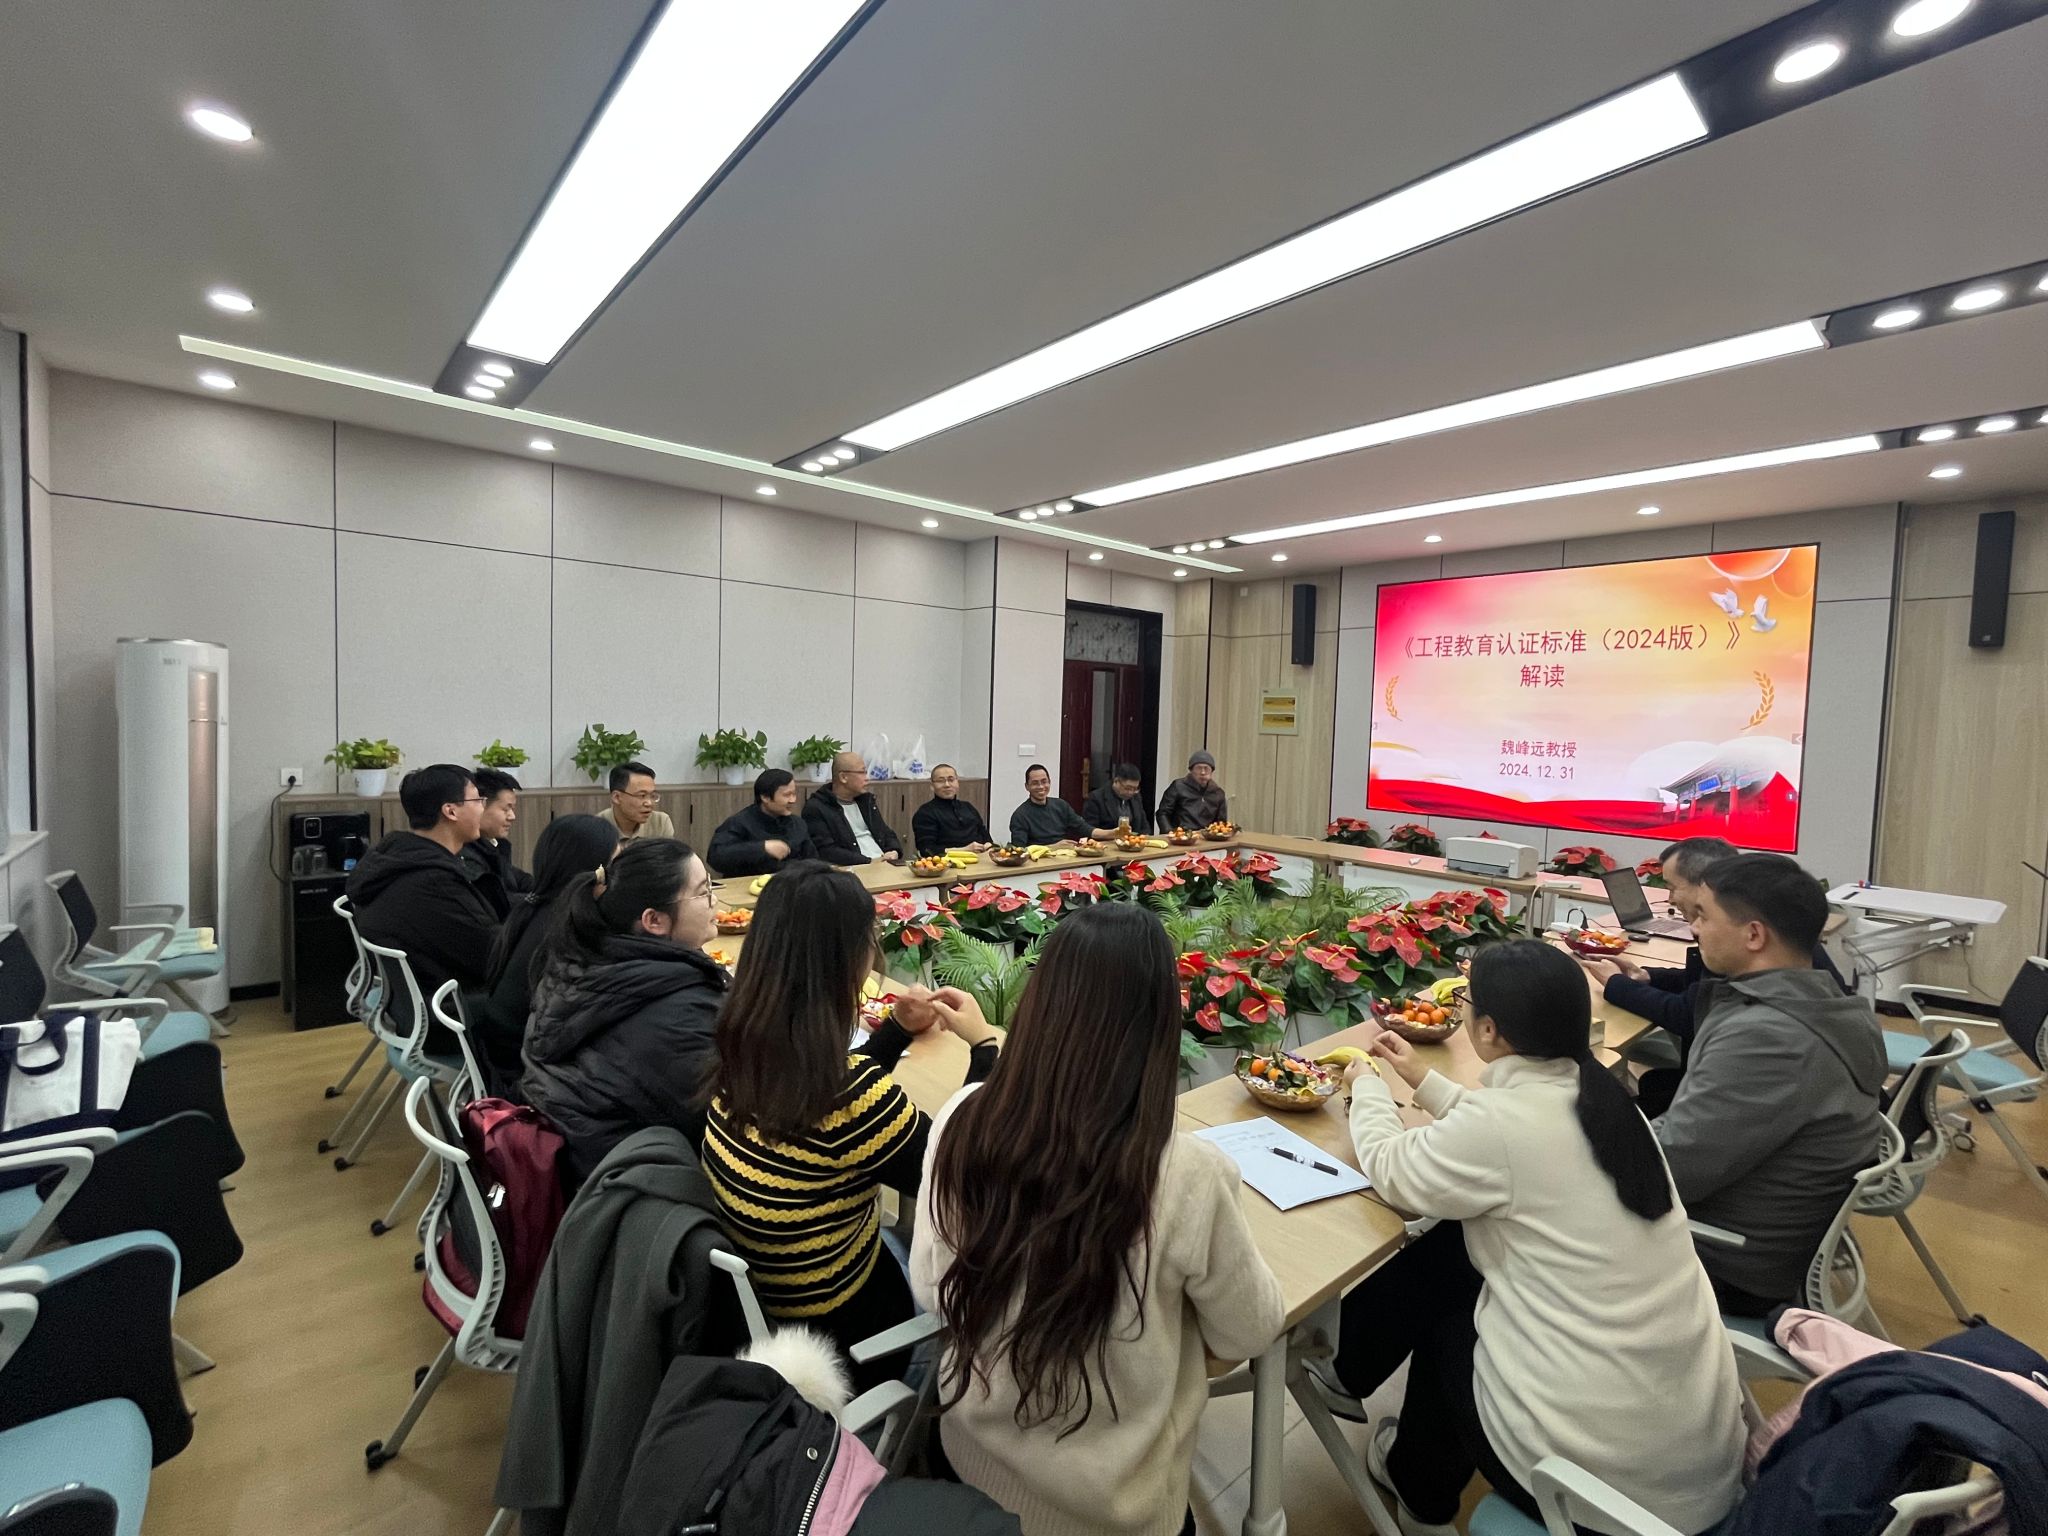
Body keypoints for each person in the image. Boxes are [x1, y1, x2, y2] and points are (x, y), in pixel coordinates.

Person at [1323, 940, 1746, 1536]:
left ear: (1487, 1029)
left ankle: (1417, 1490)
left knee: (1453, 1317)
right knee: (1456, 1249)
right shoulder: (1606, 1103)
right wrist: (1424, 1080)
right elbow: (1510, 1141)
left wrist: (1366, 1086)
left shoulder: (1503, 1126)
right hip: (1687, 1456)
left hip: (1607, 1490)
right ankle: (1343, 1369)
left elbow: (1394, 1171)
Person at [912, 904, 1284, 1536]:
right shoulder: (1187, 1174)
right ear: (1157, 1026)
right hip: (1115, 1513)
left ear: (1039, 1004)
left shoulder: (963, 1118)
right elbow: (1250, 1331)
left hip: (967, 1469)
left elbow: (931, 1290)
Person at [701, 860, 998, 1388]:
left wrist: (895, 1031)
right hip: (849, 1336)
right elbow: (956, 1168)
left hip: (775, 1306)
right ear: (849, 959)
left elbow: (824, 1109)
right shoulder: (849, 1091)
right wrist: (986, 1048)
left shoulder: (739, 1043)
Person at [1652, 853, 1884, 1316]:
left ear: (1754, 935)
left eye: (1704, 917)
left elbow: (1671, 1169)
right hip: (1756, 1233)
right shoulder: (1826, 1004)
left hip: (1722, 1261)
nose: (1694, 929)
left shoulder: (1770, 1037)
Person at [1578, 837, 1848, 1118]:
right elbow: (1703, 989)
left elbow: (1690, 1015)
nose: (1694, 928)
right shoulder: (1786, 947)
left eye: (1704, 917)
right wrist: (1648, 976)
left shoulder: (1758, 1036)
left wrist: (1617, 985)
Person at [520, 837, 727, 1183]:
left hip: (584, 1157)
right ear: (654, 920)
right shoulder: (676, 1013)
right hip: (630, 1184)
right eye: (703, 892)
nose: (714, 901)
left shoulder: (582, 959)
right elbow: (727, 1122)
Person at [345, 764, 500, 1046]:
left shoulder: (395, 859)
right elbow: (494, 958)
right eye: (478, 800)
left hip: (411, 1007)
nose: (483, 808)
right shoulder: (432, 882)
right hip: (449, 1017)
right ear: (450, 811)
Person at [471, 814, 619, 1094]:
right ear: (593, 871)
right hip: (525, 1076)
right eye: (612, 867)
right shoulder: (567, 928)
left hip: (506, 1056)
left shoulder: (538, 909)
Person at [706, 768, 816, 877]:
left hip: (789, 882)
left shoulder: (798, 824)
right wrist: (762, 848)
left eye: (794, 794)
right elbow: (716, 856)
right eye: (787, 795)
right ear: (765, 797)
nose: (793, 800)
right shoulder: (739, 822)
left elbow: (813, 861)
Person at [801, 750, 903, 865]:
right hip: (853, 868)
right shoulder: (817, 807)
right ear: (843, 777)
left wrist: (894, 851)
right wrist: (869, 861)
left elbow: (886, 833)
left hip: (883, 863)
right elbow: (826, 851)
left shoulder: (866, 802)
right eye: (862, 772)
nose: (867, 778)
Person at [460, 767, 533, 920]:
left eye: (513, 809)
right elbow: (496, 902)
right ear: (480, 805)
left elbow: (518, 878)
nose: (512, 816)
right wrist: (539, 899)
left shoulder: (495, 844)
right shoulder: (464, 850)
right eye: (506, 809)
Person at [912, 763, 993, 855]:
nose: (947, 785)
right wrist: (964, 850)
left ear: (957, 782)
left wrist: (988, 845)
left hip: (981, 858)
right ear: (932, 786)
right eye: (940, 781)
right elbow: (927, 850)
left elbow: (986, 837)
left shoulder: (968, 807)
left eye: (951, 780)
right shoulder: (925, 812)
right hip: (945, 862)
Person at [1006, 763, 1090, 846]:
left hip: (1066, 853)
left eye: (1044, 782)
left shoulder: (1061, 805)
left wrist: (1098, 832)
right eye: (1035, 783)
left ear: (1049, 782)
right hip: (1039, 855)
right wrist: (1053, 847)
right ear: (1027, 786)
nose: (1041, 786)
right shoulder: (1020, 815)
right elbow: (1019, 850)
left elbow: (1083, 827)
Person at [599, 762, 675, 841]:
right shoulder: (597, 828)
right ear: (617, 797)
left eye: (652, 796)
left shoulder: (660, 822)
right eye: (642, 795)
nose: (649, 803)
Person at [1156, 750, 1227, 831]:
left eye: (1206, 768)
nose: (1203, 772)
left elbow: (1221, 822)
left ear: (1211, 771)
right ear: (1191, 770)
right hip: (1182, 834)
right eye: (1199, 768)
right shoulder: (1178, 786)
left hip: (1206, 835)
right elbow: (1163, 813)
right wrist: (1169, 832)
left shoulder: (1218, 793)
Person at [1081, 763, 1152, 836]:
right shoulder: (1096, 798)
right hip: (1106, 841)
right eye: (1127, 788)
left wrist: (1144, 836)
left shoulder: (1136, 797)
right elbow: (1090, 831)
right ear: (1116, 781)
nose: (1131, 792)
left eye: (1135, 789)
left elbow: (1144, 826)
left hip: (1133, 840)